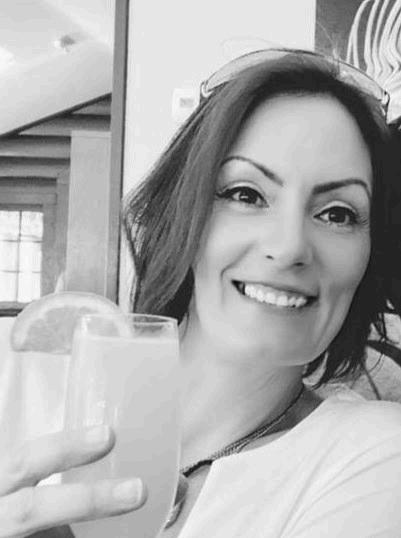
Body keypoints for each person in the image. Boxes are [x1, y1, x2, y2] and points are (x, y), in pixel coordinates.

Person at [2, 48, 401, 537]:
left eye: (337, 213)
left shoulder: (373, 459)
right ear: (182, 214)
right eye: (245, 194)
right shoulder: (18, 372)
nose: (289, 247)